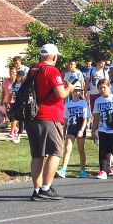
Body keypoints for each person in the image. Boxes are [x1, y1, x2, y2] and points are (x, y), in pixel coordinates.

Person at [27, 44, 76, 201]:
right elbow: (60, 94)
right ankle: (46, 188)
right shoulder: (52, 70)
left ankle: (36, 189)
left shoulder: (33, 70)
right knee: (55, 151)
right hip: (49, 116)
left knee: (37, 154)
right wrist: (70, 88)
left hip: (32, 116)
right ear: (54, 56)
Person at [92, 79, 113, 179]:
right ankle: (102, 171)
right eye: (100, 88)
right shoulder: (98, 101)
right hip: (102, 129)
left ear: (109, 87)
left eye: (104, 87)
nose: (102, 90)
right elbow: (96, 117)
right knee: (102, 150)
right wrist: (94, 130)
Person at [56, 84, 90, 179]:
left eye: (78, 91)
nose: (76, 93)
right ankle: (63, 169)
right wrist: (63, 132)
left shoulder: (83, 103)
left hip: (79, 128)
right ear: (71, 91)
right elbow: (66, 120)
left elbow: (85, 119)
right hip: (71, 128)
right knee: (67, 149)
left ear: (81, 92)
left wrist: (82, 130)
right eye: (74, 91)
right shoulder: (68, 104)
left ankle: (83, 170)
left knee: (81, 150)